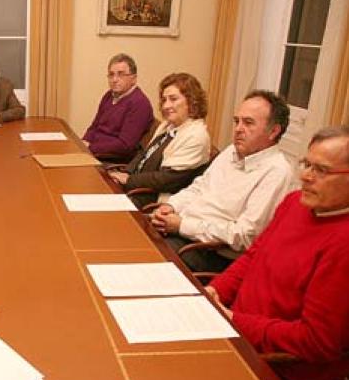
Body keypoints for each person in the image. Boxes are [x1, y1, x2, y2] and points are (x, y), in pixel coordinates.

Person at [205, 126, 349, 380]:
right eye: (307, 164)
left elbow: (316, 341)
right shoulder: (295, 202)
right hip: (237, 332)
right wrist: (215, 290)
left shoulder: (344, 244)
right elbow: (253, 256)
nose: (305, 176)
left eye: (321, 170)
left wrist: (235, 320)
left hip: (282, 370)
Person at [151, 90, 294, 272]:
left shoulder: (277, 172)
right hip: (182, 231)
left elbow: (243, 236)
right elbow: (198, 188)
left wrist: (182, 226)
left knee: (143, 262)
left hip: (211, 253)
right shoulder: (231, 151)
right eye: (237, 121)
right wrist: (171, 206)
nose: (238, 129)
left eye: (248, 123)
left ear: (274, 131)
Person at [108, 72, 211, 208]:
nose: (166, 106)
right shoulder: (168, 126)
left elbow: (168, 179)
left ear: (192, 101)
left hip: (151, 199)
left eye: (173, 99)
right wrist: (126, 172)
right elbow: (144, 154)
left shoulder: (196, 136)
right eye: (164, 100)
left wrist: (129, 180)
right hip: (134, 187)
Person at [82, 53, 154, 161]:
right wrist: (83, 143)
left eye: (121, 74)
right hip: (93, 152)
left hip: (111, 159)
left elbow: (125, 145)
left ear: (133, 78)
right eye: (111, 75)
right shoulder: (109, 95)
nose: (114, 79)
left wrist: (90, 148)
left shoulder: (140, 103)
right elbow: (95, 126)